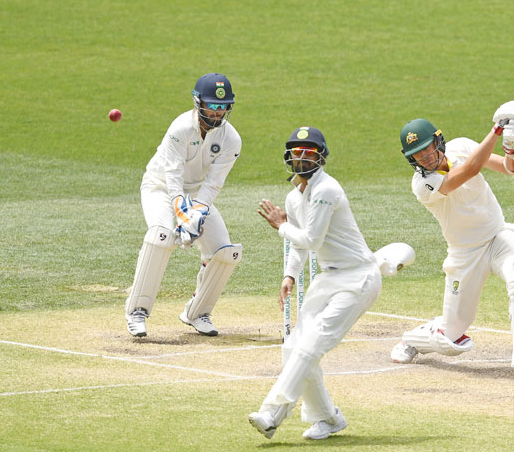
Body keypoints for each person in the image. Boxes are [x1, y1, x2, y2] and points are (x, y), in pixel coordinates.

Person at [390, 101, 514, 381]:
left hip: (498, 236)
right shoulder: (422, 185)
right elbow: (469, 171)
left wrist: (513, 150)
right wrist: (497, 129)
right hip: (465, 255)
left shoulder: (461, 146)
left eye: (426, 148)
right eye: (417, 154)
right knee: (451, 334)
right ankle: (413, 340)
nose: (424, 157)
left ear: (438, 141)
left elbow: (512, 170)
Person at [249, 126, 382, 440]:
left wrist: (281, 226)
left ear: (320, 156)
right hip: (329, 277)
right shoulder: (294, 197)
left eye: (309, 152)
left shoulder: (326, 189)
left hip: (358, 277)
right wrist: (290, 275)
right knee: (293, 347)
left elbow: (310, 238)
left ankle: (270, 413)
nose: (302, 157)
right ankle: (328, 417)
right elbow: (299, 245)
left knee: (312, 344)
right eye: (297, 152)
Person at [124, 73, 243, 338]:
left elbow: (213, 184)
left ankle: (197, 312)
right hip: (161, 187)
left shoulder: (231, 140)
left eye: (222, 107)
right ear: (198, 102)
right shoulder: (179, 128)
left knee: (226, 252)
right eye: (212, 105)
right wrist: (181, 214)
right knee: (162, 235)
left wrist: (197, 213)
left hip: (197, 193)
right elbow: (172, 174)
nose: (217, 112)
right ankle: (137, 311)